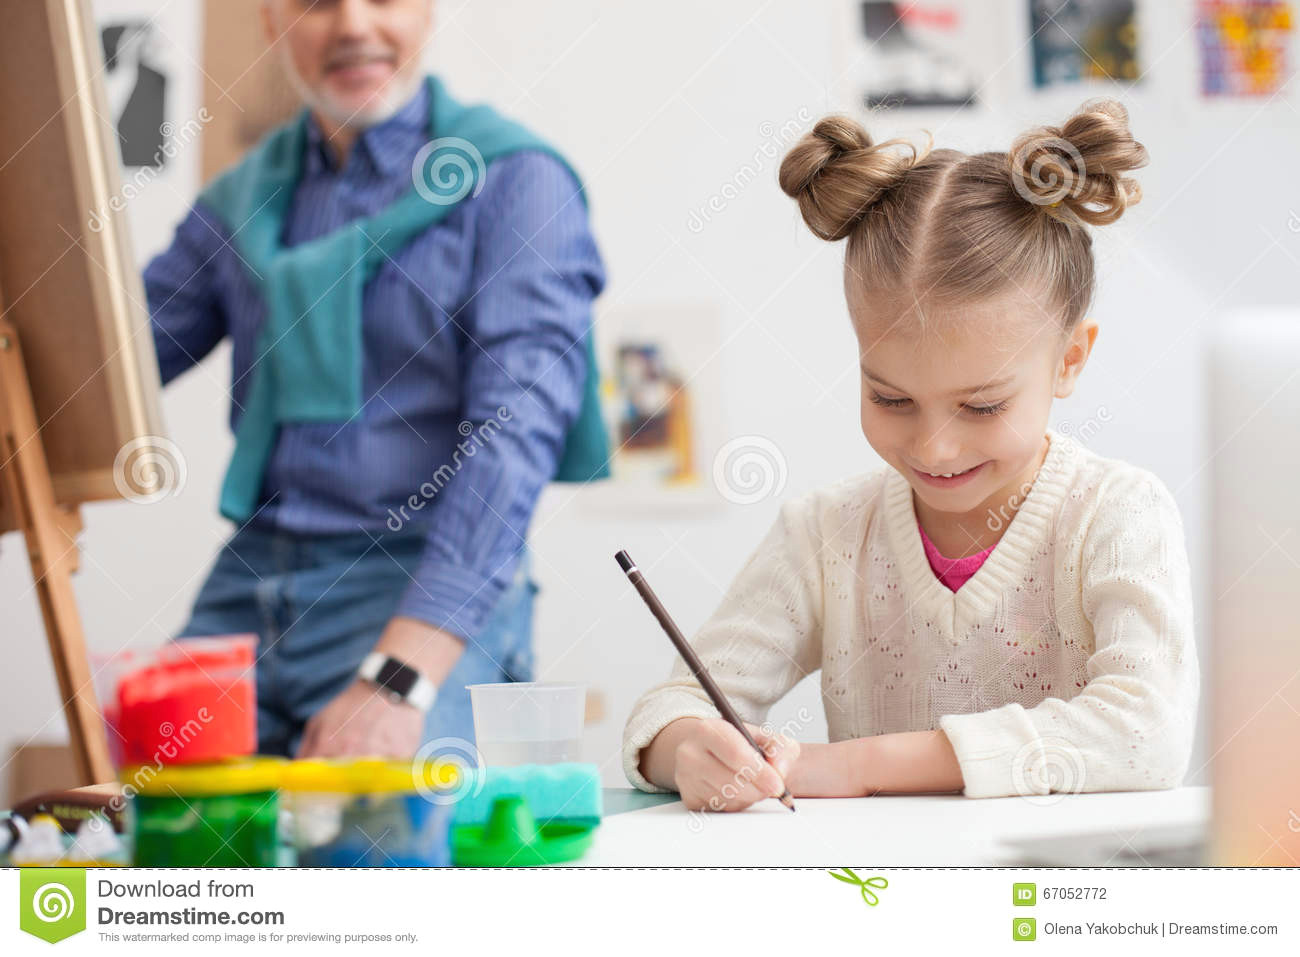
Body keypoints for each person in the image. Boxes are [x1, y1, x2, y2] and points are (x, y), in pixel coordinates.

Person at [623, 99, 1199, 809]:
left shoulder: (1117, 514)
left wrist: (860, 765)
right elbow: (668, 706)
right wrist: (687, 747)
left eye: (982, 406)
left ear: (1070, 360)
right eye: (891, 398)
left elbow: (1148, 732)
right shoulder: (825, 534)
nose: (934, 446)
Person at [145, 0, 606, 760]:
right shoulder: (240, 201)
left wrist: (398, 679)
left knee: (377, 844)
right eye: (317, 2)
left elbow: (512, 435)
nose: (353, 24)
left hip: (417, 580)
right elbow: (105, 366)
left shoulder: (517, 181)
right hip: (254, 579)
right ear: (272, 21)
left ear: (426, 11)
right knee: (163, 830)